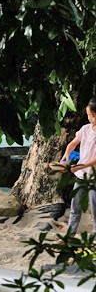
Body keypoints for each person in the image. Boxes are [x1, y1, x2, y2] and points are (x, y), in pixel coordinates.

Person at [59, 98, 96, 235]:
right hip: (80, 176)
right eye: (88, 115)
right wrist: (66, 154)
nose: (89, 118)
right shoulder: (85, 129)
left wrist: (80, 166)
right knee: (75, 207)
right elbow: (73, 143)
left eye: (92, 115)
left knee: (95, 209)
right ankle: (69, 236)